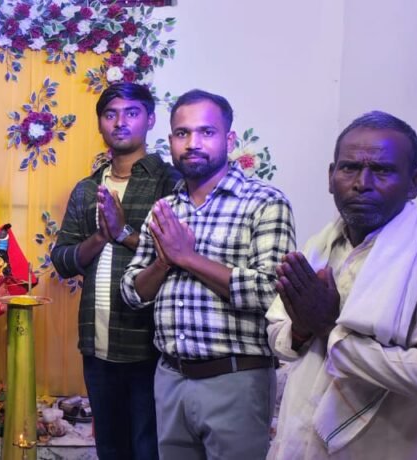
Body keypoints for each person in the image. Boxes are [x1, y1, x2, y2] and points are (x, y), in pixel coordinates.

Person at [120, 89, 296, 459]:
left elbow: (272, 292)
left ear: (229, 140)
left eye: (206, 132)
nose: (192, 143)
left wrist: (188, 257)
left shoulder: (264, 202)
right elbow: (132, 292)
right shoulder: (165, 208)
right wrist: (163, 262)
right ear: (170, 140)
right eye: (182, 133)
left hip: (236, 379)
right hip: (170, 378)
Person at [267, 111, 417, 459]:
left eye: (382, 170)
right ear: (331, 177)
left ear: (415, 182)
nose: (362, 182)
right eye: (349, 168)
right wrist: (300, 329)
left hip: (383, 444)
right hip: (301, 438)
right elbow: (277, 333)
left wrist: (329, 328)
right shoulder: (318, 246)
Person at [52, 82, 180, 460]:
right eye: (110, 114)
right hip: (97, 343)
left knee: (149, 448)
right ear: (100, 124)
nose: (120, 122)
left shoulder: (169, 182)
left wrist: (123, 233)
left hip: (150, 345)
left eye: (131, 113)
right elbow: (62, 259)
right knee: (110, 449)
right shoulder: (87, 189)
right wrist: (100, 237)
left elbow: (179, 255)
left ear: (150, 120)